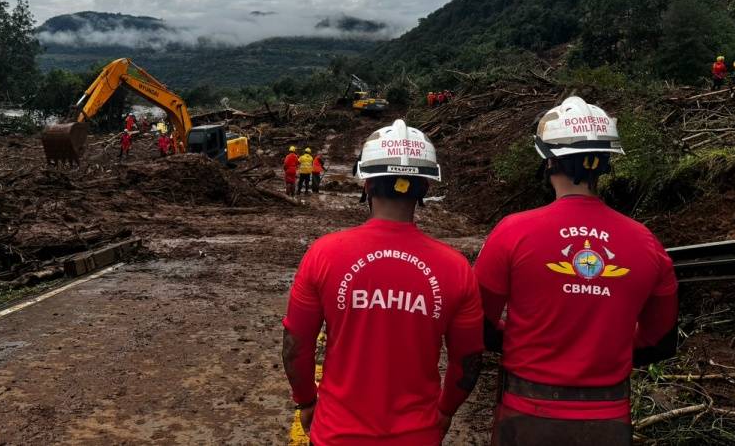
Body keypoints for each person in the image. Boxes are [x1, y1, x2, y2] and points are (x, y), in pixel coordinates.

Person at [474, 96, 678, 446]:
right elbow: (659, 340)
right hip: (608, 419)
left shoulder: (512, 232)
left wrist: (530, 340)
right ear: (605, 165)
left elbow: (478, 322)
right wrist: (600, 346)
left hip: (526, 415)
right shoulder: (646, 243)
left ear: (549, 161)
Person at [282, 119, 484, 445]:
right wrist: (446, 411)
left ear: (366, 183)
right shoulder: (456, 268)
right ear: (426, 188)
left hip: (337, 434)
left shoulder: (324, 254)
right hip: (418, 436)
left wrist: (306, 400)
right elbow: (469, 359)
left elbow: (295, 346)